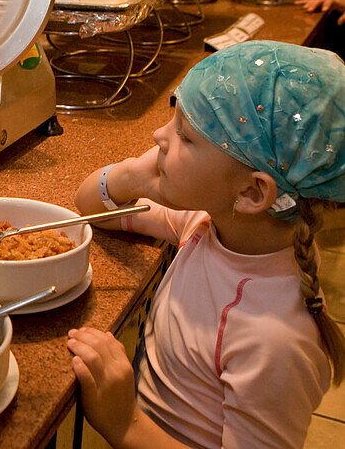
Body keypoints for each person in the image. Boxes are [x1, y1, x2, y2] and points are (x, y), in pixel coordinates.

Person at [65, 40, 345, 448]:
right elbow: (89, 204)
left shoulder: (274, 343)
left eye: (185, 136)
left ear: (252, 193)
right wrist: (132, 175)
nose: (159, 134)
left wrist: (125, 424)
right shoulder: (210, 224)